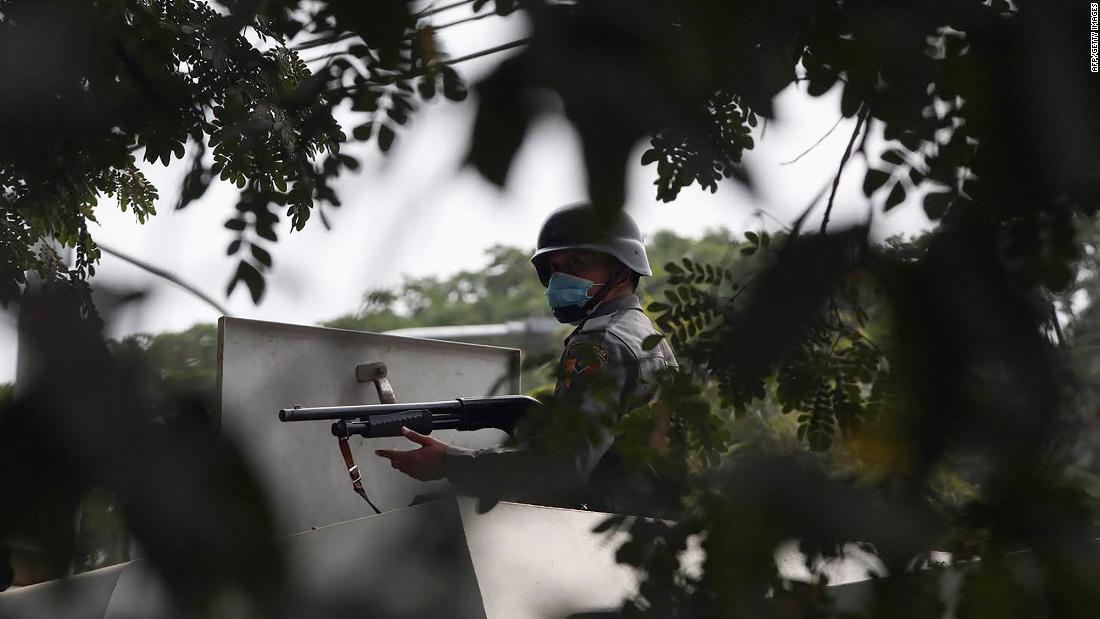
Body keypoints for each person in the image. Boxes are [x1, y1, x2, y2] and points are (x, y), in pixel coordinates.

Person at [376, 203, 678, 513]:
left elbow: (564, 464)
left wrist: (451, 462)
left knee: (434, 511)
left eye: (577, 263)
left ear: (622, 270)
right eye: (555, 268)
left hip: (607, 525)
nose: (562, 277)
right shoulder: (645, 336)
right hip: (645, 523)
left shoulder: (599, 342)